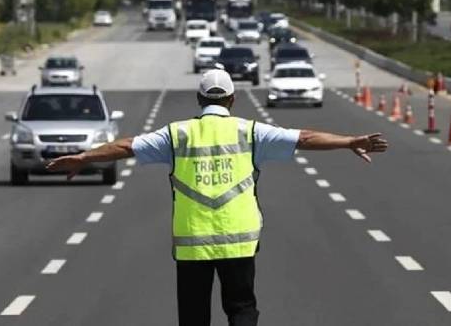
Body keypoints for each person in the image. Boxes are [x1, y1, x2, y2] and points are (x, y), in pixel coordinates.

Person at [46, 69, 388, 326]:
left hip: (193, 242)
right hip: (238, 241)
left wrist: (83, 157)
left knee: (194, 315)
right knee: (241, 309)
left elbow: (125, 146)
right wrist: (348, 142)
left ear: (199, 100)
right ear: (231, 99)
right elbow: (305, 137)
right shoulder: (250, 131)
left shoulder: (176, 134)